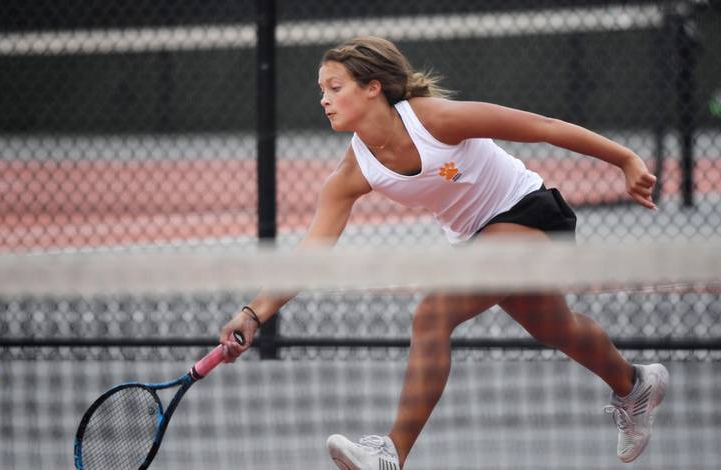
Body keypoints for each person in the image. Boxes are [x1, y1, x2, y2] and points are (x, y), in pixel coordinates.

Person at [219, 36, 669, 469]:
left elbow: (542, 127)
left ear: (373, 87)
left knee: (432, 315)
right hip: (479, 240)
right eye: (322, 90)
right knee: (559, 328)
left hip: (531, 216)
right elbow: (311, 254)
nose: (325, 99)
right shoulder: (352, 172)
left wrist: (624, 159)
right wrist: (254, 313)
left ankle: (390, 454)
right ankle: (635, 384)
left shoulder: (434, 119)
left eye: (335, 88)